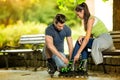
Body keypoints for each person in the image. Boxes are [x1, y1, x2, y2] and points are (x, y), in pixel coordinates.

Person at [71, 2, 114, 73]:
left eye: (78, 14)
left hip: (105, 41)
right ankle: (83, 67)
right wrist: (82, 37)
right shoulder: (88, 20)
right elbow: (88, 37)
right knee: (82, 41)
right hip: (101, 40)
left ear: (82, 11)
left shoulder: (91, 20)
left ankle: (72, 64)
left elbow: (87, 39)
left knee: (83, 41)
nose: (77, 17)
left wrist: (78, 53)